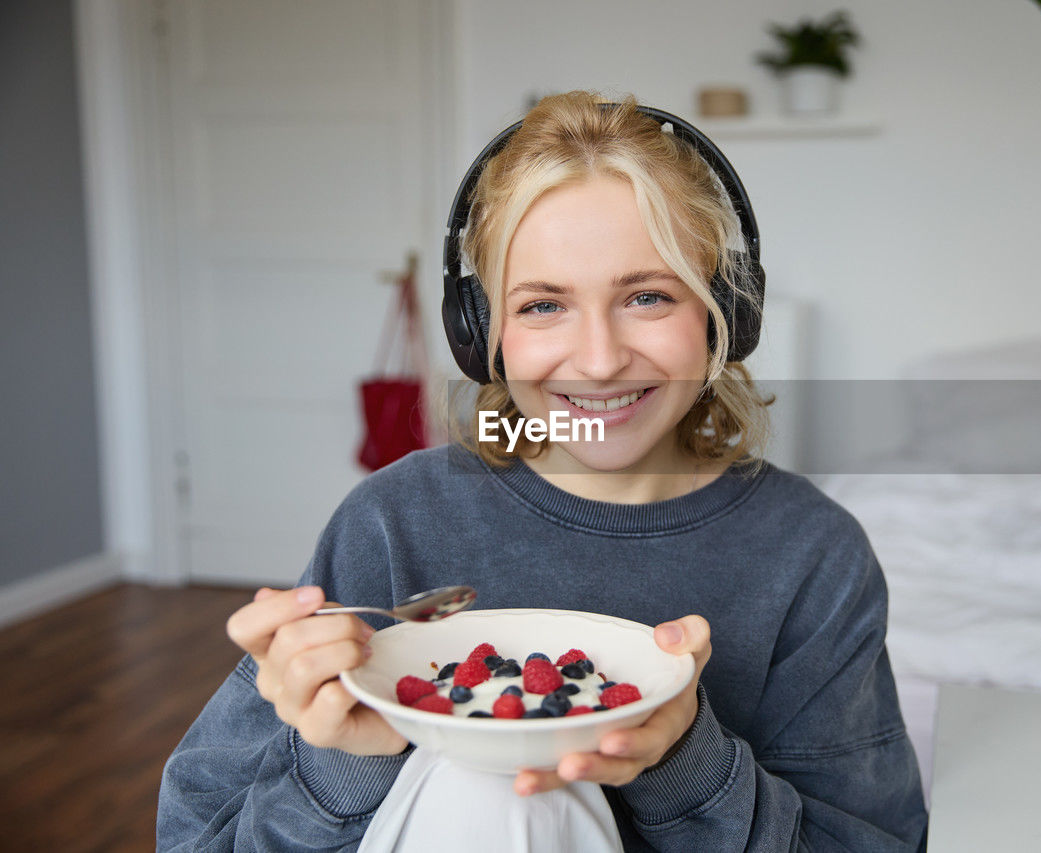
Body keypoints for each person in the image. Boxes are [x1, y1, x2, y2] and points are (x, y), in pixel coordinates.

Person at [157, 90, 928, 851]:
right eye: (542, 306)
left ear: (725, 314)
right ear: (481, 331)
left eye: (649, 296)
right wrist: (340, 763)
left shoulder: (812, 553)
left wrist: (684, 758)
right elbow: (196, 838)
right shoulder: (392, 523)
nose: (597, 360)